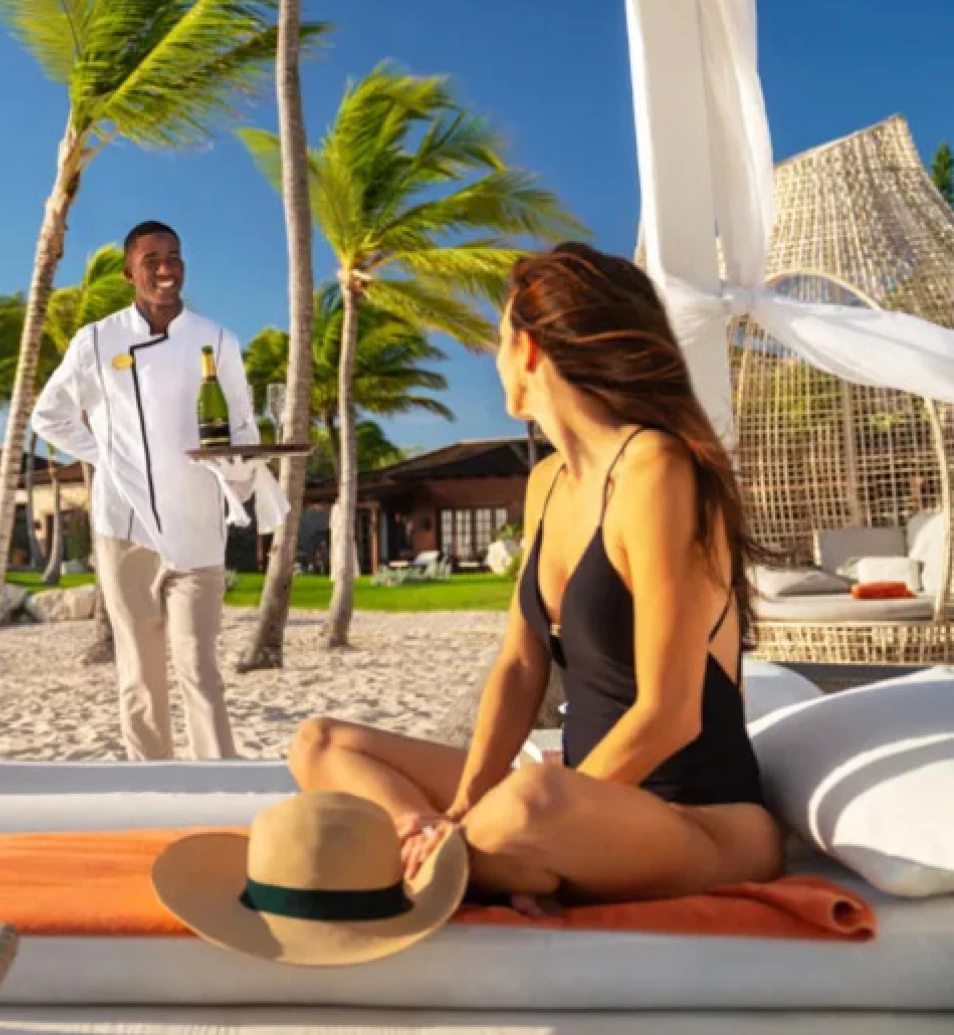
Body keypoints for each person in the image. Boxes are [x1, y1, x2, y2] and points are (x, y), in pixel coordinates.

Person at [288, 242, 785, 908]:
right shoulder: (548, 480)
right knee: (321, 742)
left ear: (528, 351)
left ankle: (489, 859)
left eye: (498, 341)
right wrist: (460, 811)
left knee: (530, 800)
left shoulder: (657, 470)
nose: (495, 361)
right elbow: (520, 670)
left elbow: (670, 716)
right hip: (582, 798)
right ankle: (437, 844)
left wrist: (554, 814)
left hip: (698, 819)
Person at [32, 220, 279, 761]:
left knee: (200, 668)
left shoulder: (216, 339)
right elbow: (47, 414)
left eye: (174, 256)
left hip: (197, 524)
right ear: (129, 273)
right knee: (139, 672)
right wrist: (105, 457)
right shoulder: (97, 339)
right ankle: (153, 780)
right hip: (125, 527)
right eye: (152, 260)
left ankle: (219, 780)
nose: (166, 269)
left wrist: (240, 471)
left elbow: (241, 425)